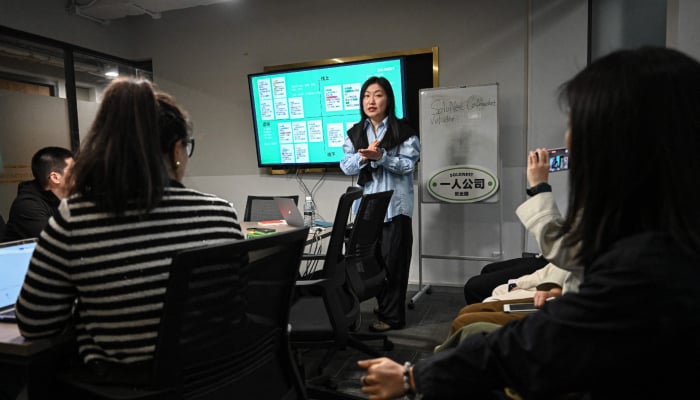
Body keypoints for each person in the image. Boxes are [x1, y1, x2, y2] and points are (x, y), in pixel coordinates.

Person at [357, 46, 700, 399]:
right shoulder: (654, 225)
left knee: (464, 319)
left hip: (397, 210)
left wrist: (414, 378)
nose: (568, 139)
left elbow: (542, 342)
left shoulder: (651, 262)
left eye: (579, 123)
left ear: (631, 139)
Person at [14, 77, 244, 389]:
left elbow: (35, 322)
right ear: (177, 150)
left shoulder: (75, 217)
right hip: (218, 379)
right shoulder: (221, 213)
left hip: (126, 387)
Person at [340, 76, 421, 332]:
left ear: (388, 99)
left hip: (395, 208)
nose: (371, 101)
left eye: (377, 95)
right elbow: (346, 165)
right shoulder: (355, 132)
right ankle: (382, 305)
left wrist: (382, 157)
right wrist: (364, 159)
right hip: (366, 209)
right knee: (369, 263)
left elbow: (408, 166)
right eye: (366, 95)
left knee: (394, 263)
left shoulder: (403, 130)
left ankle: (392, 316)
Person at [2, 146, 74, 242]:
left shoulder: (68, 197)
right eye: (74, 170)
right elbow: (60, 243)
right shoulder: (28, 206)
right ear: (55, 178)